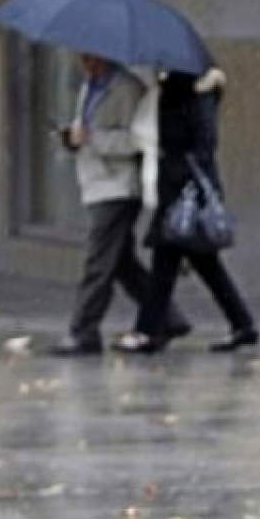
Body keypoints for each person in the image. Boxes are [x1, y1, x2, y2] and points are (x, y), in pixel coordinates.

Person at [50, 54, 190, 356]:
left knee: (98, 261)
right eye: (81, 58)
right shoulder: (91, 85)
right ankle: (168, 317)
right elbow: (86, 127)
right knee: (122, 263)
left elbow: (136, 141)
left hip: (118, 186)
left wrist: (92, 138)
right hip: (95, 182)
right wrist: (73, 138)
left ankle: (83, 331)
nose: (85, 63)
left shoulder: (127, 88)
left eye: (90, 57)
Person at [114, 67, 258, 353]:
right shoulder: (180, 93)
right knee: (203, 266)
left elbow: (201, 145)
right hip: (179, 191)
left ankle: (148, 331)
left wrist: (177, 172)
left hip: (183, 195)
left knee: (165, 265)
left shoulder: (190, 96)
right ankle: (242, 325)